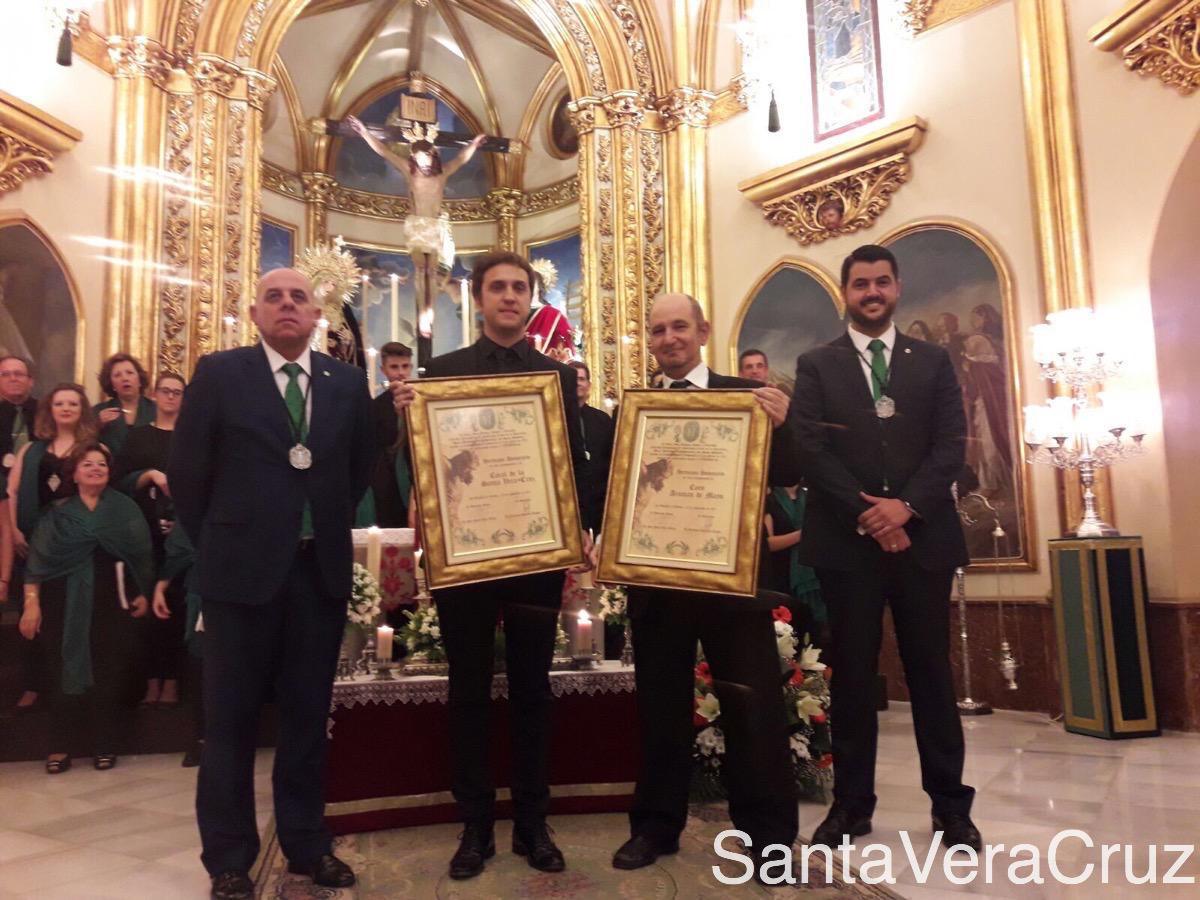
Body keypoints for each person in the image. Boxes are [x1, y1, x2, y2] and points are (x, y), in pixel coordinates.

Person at [170, 267, 373, 900]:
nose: (287, 305)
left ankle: (308, 845)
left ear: (318, 315)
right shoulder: (220, 374)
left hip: (318, 575)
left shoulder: (347, 383)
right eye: (274, 297)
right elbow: (187, 474)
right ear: (255, 313)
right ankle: (229, 859)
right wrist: (228, 542)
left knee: (308, 721)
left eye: (299, 298)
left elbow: (359, 468)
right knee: (229, 724)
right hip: (239, 578)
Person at [390, 251, 591, 881]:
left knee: (534, 689)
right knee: (469, 690)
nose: (508, 296)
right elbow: (422, 466)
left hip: (533, 554)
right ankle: (475, 824)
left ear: (530, 299)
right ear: (477, 300)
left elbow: (570, 462)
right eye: (497, 287)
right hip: (467, 554)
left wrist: (577, 528)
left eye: (518, 287)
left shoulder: (555, 377)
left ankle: (533, 821)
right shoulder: (441, 373)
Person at [788, 244, 980, 852]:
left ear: (897, 288)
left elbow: (952, 442)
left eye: (881, 282)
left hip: (924, 542)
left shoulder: (934, 361)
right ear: (844, 293)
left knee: (931, 675)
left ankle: (952, 809)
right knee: (851, 682)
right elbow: (811, 449)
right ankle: (851, 806)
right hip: (848, 545)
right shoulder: (817, 364)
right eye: (860, 284)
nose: (871, 292)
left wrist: (907, 507)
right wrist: (872, 514)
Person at [611, 293, 798, 876]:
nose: (669, 338)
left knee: (753, 711)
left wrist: (784, 427)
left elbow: (791, 475)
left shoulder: (748, 398)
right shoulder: (633, 410)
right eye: (659, 329)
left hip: (733, 587)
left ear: (703, 331)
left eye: (679, 327)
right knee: (661, 713)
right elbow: (615, 492)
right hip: (658, 585)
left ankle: (768, 842)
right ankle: (655, 828)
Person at [18, 442, 153, 774]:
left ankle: (105, 745)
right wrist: (31, 604)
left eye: (102, 465)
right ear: (74, 473)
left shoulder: (125, 509)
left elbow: (142, 557)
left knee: (109, 674)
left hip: (112, 601)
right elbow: (37, 563)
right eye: (88, 464)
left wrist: (143, 593)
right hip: (61, 604)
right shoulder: (58, 513)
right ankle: (59, 746)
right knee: (61, 670)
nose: (95, 469)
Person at [347, 114, 485, 333]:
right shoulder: (409, 172)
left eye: (425, 157)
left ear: (433, 156)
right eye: (418, 157)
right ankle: (423, 314)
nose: (422, 161)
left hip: (436, 225)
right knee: (422, 270)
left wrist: (475, 144)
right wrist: (364, 132)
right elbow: (384, 151)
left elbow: (460, 160)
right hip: (417, 227)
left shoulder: (442, 175)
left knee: (433, 272)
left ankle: (428, 312)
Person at [7, 383, 98, 713]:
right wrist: (16, 529)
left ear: (82, 410)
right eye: (59, 403)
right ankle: (34, 685)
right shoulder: (30, 451)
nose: (66, 408)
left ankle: (72, 685)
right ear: (50, 410)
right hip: (33, 541)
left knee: (71, 615)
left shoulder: (92, 449)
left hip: (76, 544)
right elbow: (13, 492)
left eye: (73, 403)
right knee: (32, 614)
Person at [116, 372, 187, 707]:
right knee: (145, 605)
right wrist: (149, 475)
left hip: (182, 535)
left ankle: (171, 680)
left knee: (175, 605)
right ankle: (150, 680)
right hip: (143, 531)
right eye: (166, 391)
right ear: (155, 395)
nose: (171, 397)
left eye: (177, 392)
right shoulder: (138, 436)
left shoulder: (191, 437)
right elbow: (119, 482)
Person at [0, 355, 38, 681]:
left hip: (33, 516)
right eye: (6, 374)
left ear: (31, 381)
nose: (13, 379)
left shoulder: (43, 414)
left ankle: (31, 680)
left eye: (19, 374)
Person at [762, 483, 826, 641]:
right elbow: (768, 543)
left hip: (814, 570)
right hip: (782, 573)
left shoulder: (811, 496)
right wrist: (803, 534)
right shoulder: (771, 499)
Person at [370, 342, 413, 528]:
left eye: (405, 366)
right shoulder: (375, 407)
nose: (400, 372)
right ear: (383, 369)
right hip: (388, 485)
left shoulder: (421, 399)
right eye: (394, 367)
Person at [567, 360, 614, 534]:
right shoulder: (555, 419)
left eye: (581, 379)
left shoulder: (602, 420)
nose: (577, 382)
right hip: (569, 504)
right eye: (572, 378)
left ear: (589, 385)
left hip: (599, 503)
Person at [94, 353, 156, 456]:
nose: (125, 378)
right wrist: (97, 425)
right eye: (117, 375)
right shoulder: (98, 412)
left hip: (150, 469)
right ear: (112, 384)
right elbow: (85, 445)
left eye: (130, 373)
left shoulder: (155, 410)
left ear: (139, 380)